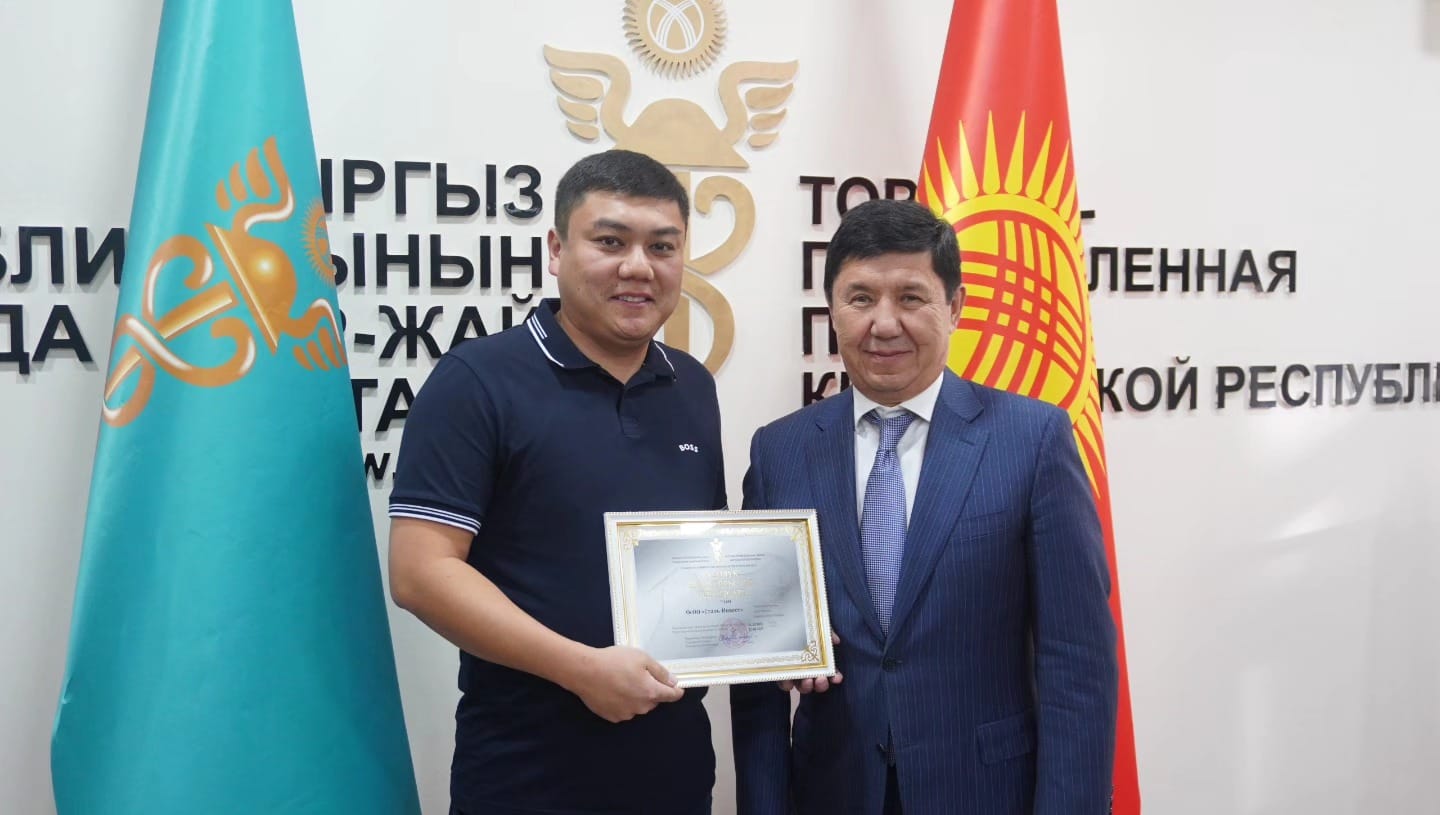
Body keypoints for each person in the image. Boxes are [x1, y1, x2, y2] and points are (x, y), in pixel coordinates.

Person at [730, 199, 1117, 814]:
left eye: (911, 298)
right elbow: (756, 673)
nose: (884, 324)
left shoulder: (1033, 439)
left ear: (955, 306)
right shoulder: (781, 451)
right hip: (832, 790)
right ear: (831, 308)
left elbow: (1077, 663)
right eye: (860, 298)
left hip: (985, 791)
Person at [388, 149, 724, 815]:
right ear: (556, 249)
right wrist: (581, 669)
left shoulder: (691, 383)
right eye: (610, 241)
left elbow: (702, 558)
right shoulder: (476, 380)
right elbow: (420, 574)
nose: (638, 266)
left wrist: (788, 636)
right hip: (527, 776)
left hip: (676, 770)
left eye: (662, 246)